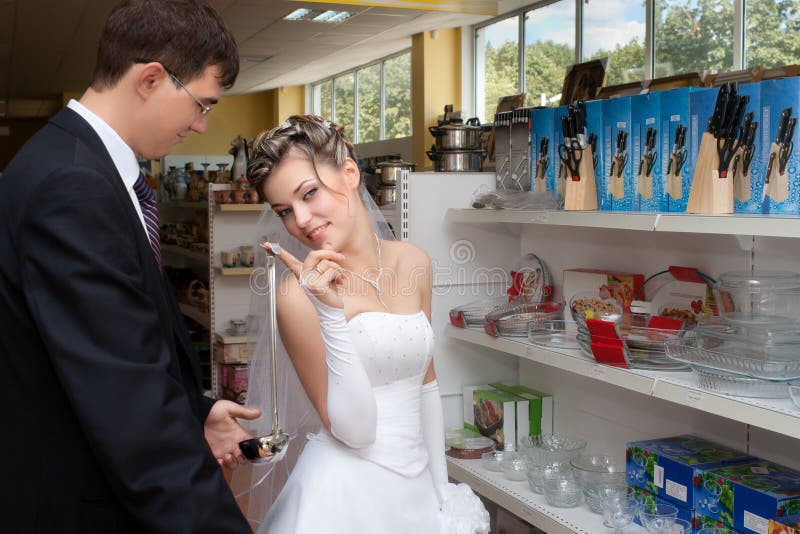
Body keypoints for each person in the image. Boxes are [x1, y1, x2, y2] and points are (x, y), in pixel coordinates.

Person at [0, 1, 259, 532]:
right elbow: (129, 406)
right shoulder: (72, 186)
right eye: (202, 104)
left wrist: (194, 410)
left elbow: (112, 339)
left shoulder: (77, 163)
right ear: (150, 79)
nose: (201, 125)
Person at [237, 115, 489, 533]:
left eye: (309, 193)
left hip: (418, 491)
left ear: (350, 172)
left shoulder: (414, 261)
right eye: (284, 210)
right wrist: (331, 313)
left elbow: (426, 385)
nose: (300, 219)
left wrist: (442, 493)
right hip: (344, 499)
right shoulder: (295, 297)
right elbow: (355, 432)